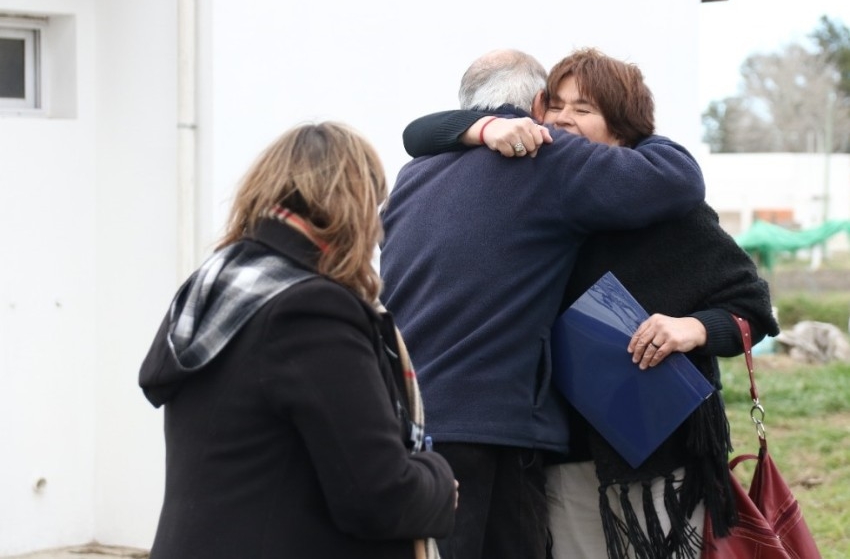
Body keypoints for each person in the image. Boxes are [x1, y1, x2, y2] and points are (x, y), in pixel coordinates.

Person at [401, 47, 780, 559]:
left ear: (623, 130)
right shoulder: (542, 178)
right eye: (555, 105)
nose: (561, 120)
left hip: (656, 457)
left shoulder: (662, 213)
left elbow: (752, 307)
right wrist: (479, 129)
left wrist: (691, 329)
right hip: (559, 455)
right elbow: (419, 133)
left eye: (583, 109)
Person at [139, 121, 457, 559]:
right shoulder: (310, 311)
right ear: (350, 206)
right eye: (374, 206)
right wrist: (439, 479)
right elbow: (377, 495)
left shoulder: (220, 288)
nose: (377, 228)